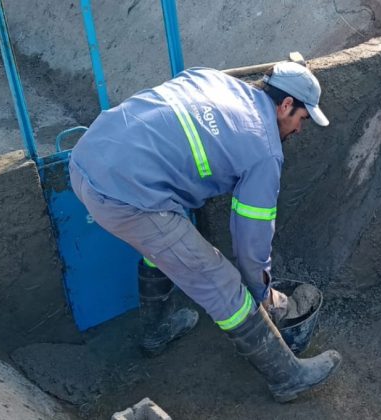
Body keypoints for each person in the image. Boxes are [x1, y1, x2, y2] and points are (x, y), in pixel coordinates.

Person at [68, 61, 341, 402]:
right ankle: (287, 377)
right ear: (286, 105)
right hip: (124, 195)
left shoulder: (213, 78)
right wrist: (261, 293)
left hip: (87, 158)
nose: (300, 129)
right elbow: (251, 239)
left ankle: (157, 330)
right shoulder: (264, 150)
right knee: (221, 283)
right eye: (302, 118)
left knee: (166, 241)